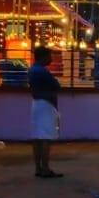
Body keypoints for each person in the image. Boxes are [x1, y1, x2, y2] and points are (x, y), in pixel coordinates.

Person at [28, 45, 62, 178]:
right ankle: (46, 168)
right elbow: (56, 86)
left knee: (37, 137)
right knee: (47, 137)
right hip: (46, 104)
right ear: (43, 57)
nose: (51, 59)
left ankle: (38, 168)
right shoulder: (42, 71)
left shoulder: (32, 70)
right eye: (49, 56)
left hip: (36, 104)